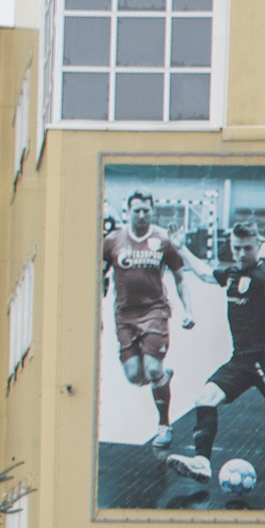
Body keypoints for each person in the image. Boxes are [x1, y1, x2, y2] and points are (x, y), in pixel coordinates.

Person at [165, 222, 265, 486]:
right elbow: (205, 274)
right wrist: (182, 248)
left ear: (258, 246)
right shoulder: (233, 274)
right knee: (205, 398)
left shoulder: (263, 276)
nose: (242, 253)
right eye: (237, 248)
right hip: (241, 359)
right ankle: (202, 463)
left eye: (247, 248)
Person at [99, 189, 194, 447]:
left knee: (152, 368)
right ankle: (162, 378)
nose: (141, 214)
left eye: (146, 210)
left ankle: (164, 425)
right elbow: (99, 277)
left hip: (155, 312)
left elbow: (180, 277)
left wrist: (189, 310)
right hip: (125, 315)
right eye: (136, 210)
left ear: (152, 211)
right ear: (128, 211)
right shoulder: (112, 241)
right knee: (134, 376)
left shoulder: (163, 239)